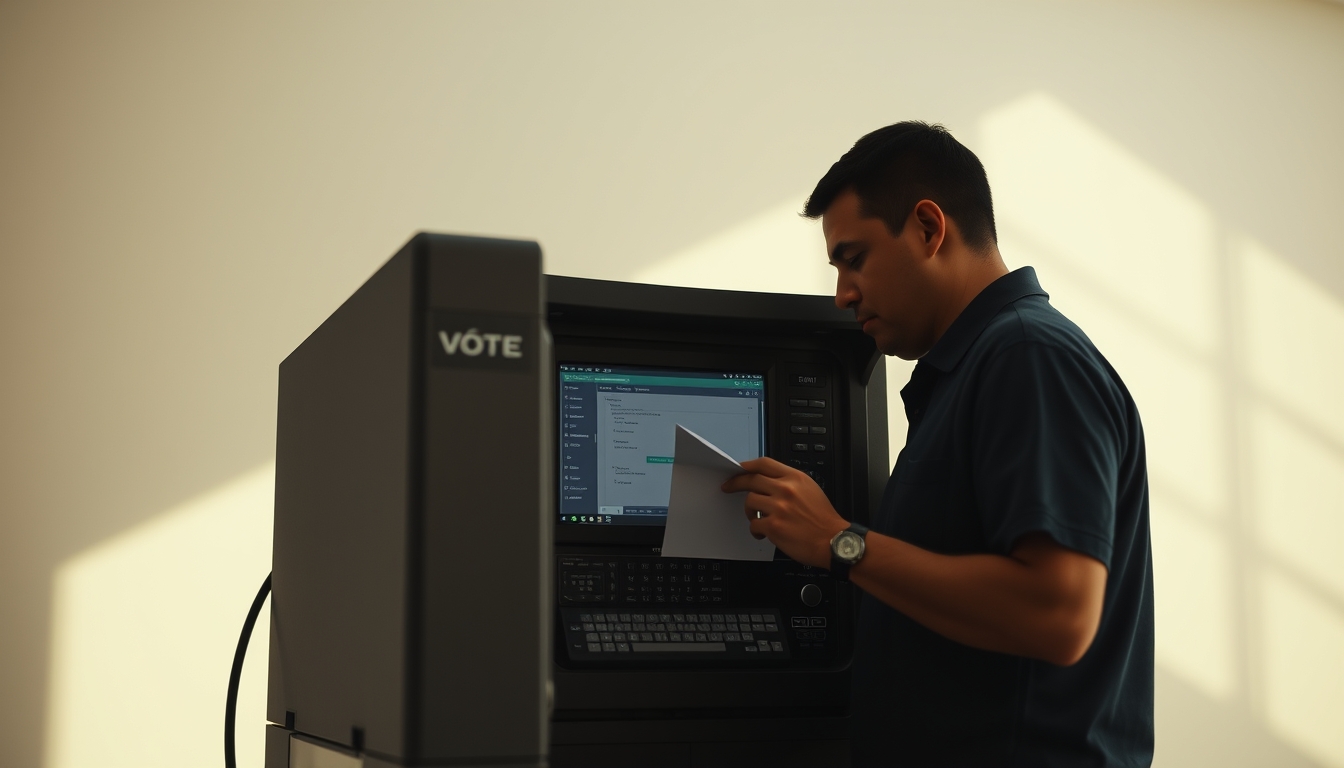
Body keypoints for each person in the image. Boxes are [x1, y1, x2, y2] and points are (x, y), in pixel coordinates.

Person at [722, 122, 1153, 767]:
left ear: (928, 228)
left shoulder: (1028, 356)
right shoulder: (976, 368)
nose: (842, 295)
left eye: (854, 259)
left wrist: (840, 542)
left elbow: (1058, 613)